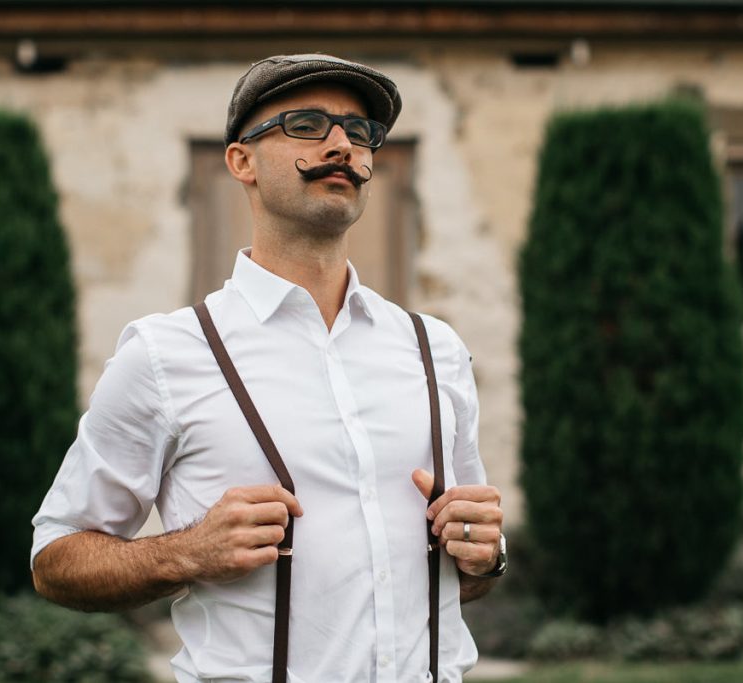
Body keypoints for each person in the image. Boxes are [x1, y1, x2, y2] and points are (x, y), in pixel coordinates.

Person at [31, 53, 505, 683]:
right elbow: (55, 559)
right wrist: (187, 553)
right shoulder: (166, 354)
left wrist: (485, 555)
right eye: (308, 125)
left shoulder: (434, 349)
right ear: (241, 161)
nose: (341, 144)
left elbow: (462, 569)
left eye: (359, 131)